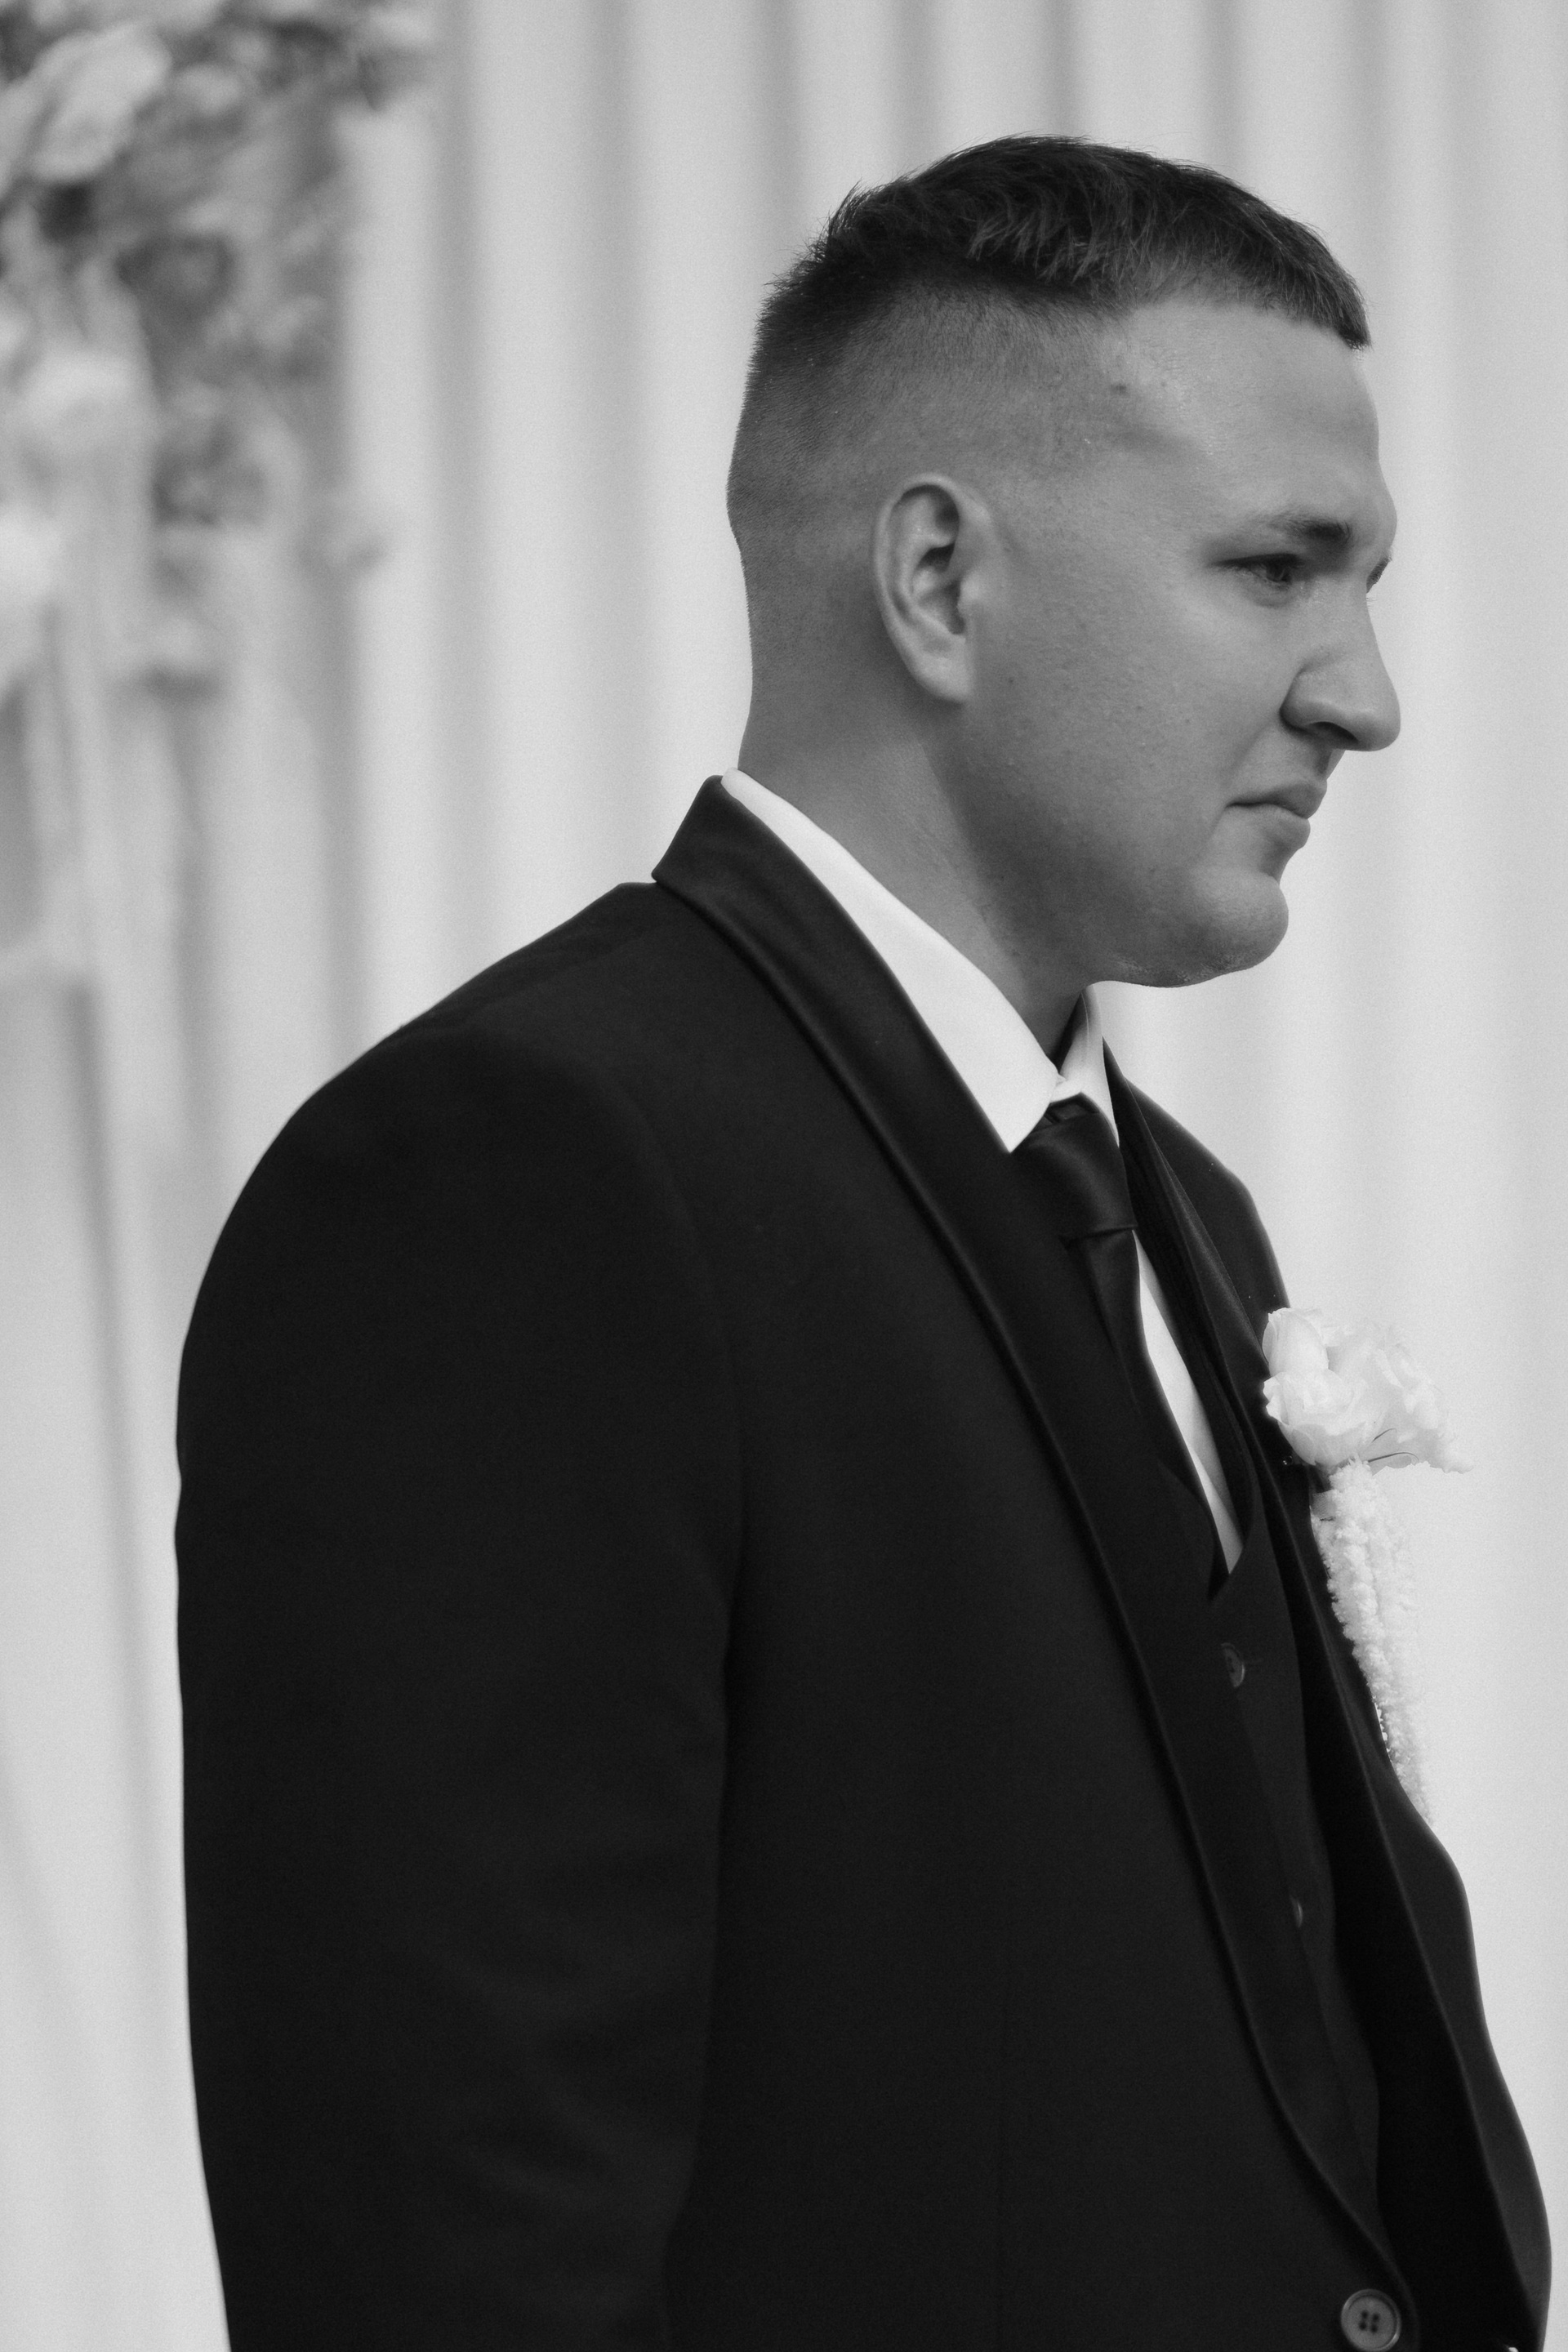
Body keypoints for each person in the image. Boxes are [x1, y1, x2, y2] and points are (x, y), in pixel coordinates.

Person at [176, 137, 1549, 2351]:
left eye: (1364, 581)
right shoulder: (517, 1176)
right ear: (937, 578)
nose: (1365, 694)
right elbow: (451, 2241)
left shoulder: (1185, 1209)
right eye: (1275, 568)